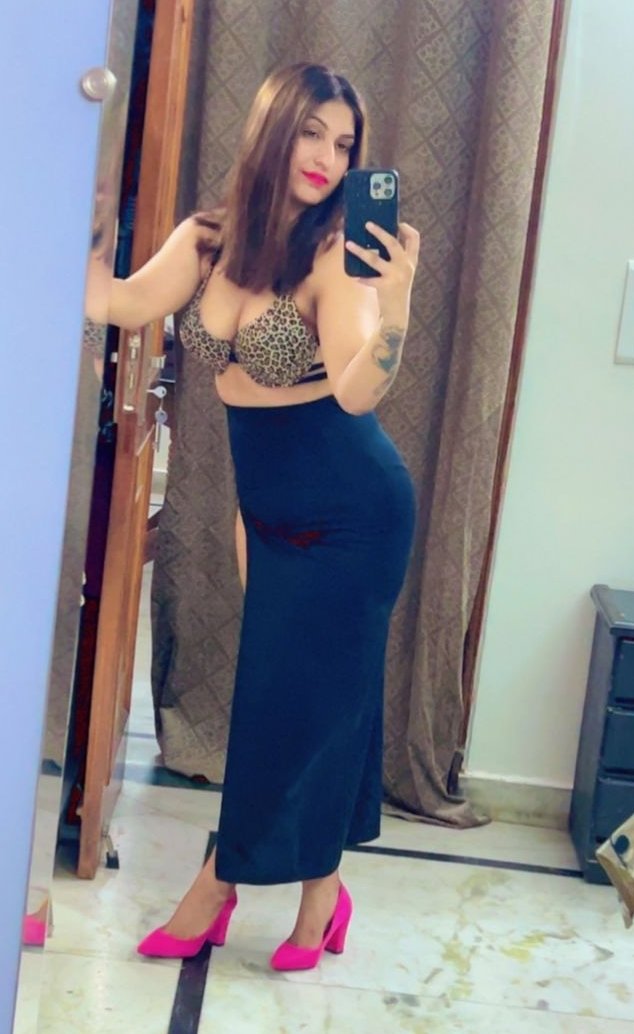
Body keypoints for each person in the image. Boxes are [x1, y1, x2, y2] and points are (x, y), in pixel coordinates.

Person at [100, 62, 419, 972]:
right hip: (268, 513)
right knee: (315, 701)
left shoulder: (338, 259)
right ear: (274, 129)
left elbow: (355, 392)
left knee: (292, 705)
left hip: (354, 517)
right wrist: (61, 231)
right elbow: (122, 303)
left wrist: (394, 308)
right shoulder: (206, 242)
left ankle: (215, 888)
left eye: (345, 144)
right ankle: (325, 897)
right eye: (312, 132)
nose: (327, 157)